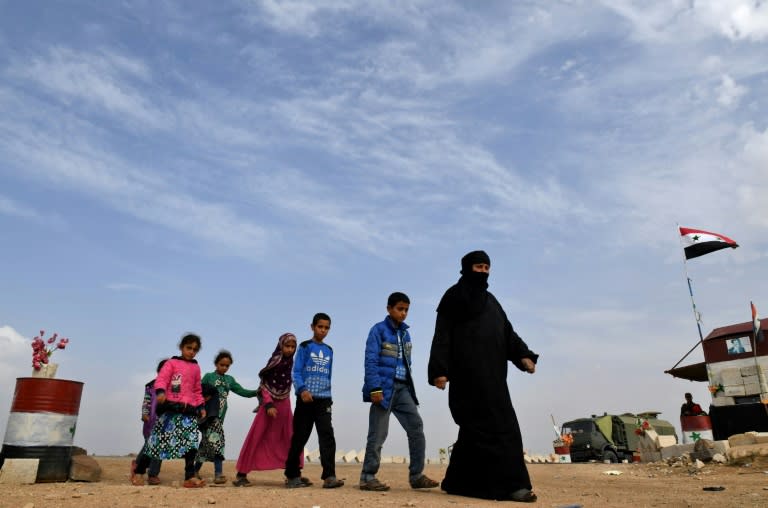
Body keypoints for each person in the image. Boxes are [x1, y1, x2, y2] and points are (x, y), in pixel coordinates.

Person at [428, 250, 539, 503]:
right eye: (478, 267)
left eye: (487, 268)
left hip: (494, 379)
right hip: (467, 378)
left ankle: (458, 481)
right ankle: (514, 486)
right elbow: (442, 335)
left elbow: (507, 332)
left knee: (474, 433)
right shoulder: (453, 297)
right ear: (467, 268)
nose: (484, 272)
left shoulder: (492, 302)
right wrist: (439, 371)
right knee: (499, 429)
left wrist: (524, 356)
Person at [359, 292, 439, 492]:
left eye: (406, 310)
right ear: (389, 308)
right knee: (378, 434)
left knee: (416, 427)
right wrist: (374, 388)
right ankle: (367, 477)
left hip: (403, 389)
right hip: (383, 389)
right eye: (400, 309)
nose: (403, 313)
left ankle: (416, 475)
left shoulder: (405, 334)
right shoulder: (377, 331)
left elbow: (406, 363)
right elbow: (370, 361)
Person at [233, 333, 302, 487]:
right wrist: (269, 404)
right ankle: (241, 474)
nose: (290, 350)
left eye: (293, 347)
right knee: (256, 436)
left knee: (290, 437)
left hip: (285, 403)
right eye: (287, 346)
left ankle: (294, 473)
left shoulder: (292, 364)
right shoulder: (275, 361)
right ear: (281, 346)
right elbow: (264, 383)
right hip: (268, 405)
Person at [284, 313, 344, 489]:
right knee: (300, 437)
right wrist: (302, 390)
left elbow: (328, 375)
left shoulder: (329, 350)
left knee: (327, 436)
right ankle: (292, 475)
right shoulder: (304, 347)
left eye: (326, 328)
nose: (323, 330)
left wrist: (329, 396)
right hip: (306, 400)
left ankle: (329, 476)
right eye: (320, 327)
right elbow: (296, 372)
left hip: (324, 400)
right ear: (312, 327)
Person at [143, 333, 207, 488]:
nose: (191, 352)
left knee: (191, 443)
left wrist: (201, 406)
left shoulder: (196, 367)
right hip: (171, 409)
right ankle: (139, 470)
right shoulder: (171, 363)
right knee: (155, 442)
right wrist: (160, 392)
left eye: (195, 350)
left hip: (189, 412)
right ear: (181, 347)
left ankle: (189, 477)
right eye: (189, 348)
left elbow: (197, 390)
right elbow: (162, 379)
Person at [194, 350, 258, 484]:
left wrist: (256, 392)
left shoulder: (229, 380)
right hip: (208, 415)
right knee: (219, 442)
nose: (224, 367)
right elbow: (198, 392)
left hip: (220, 417)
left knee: (205, 444)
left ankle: (194, 471)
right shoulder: (208, 377)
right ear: (216, 364)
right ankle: (218, 474)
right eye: (221, 365)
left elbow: (242, 391)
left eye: (227, 366)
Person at [130, 359, 167, 486]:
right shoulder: (151, 386)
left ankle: (153, 474)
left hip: (165, 423)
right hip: (150, 421)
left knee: (160, 448)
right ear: (158, 372)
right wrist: (144, 413)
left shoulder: (173, 388)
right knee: (149, 446)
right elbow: (146, 402)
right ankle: (137, 466)